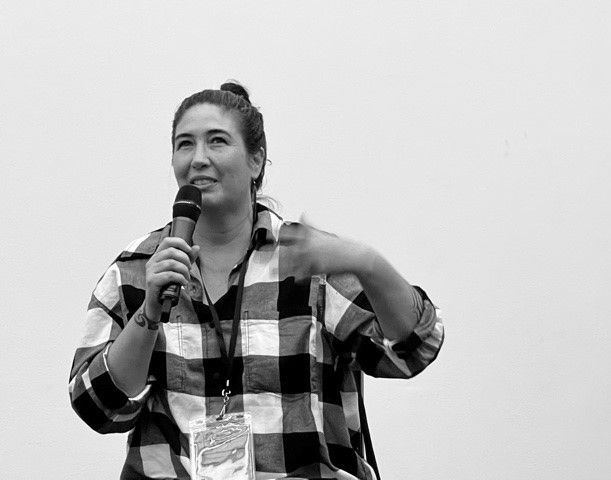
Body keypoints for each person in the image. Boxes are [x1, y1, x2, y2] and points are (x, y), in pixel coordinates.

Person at [69, 82, 444, 480]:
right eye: (184, 144)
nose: (198, 159)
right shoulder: (137, 269)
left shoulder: (306, 259)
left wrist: (367, 263)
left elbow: (413, 350)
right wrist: (147, 314)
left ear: (256, 161)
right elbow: (99, 408)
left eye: (217, 142)